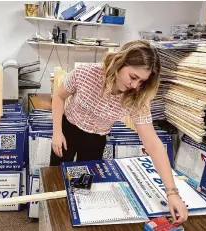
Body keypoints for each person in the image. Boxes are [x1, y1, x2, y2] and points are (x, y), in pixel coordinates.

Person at [50, 40, 188, 224]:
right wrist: (57, 132)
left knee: (82, 189)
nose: (135, 85)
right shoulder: (85, 73)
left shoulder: (137, 97)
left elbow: (153, 144)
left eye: (142, 81)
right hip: (68, 130)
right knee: (55, 180)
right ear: (119, 63)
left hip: (95, 140)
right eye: (133, 76)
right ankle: (53, 218)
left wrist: (172, 192)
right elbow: (58, 97)